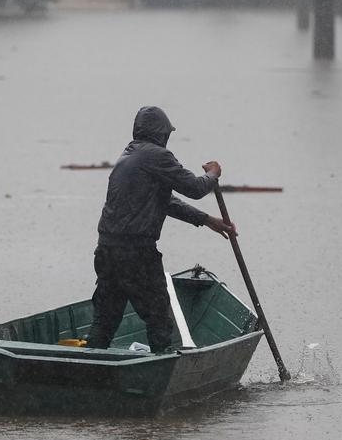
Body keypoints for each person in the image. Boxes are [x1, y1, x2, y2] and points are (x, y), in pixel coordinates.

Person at [87, 106, 236, 353]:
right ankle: (161, 371)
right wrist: (213, 174)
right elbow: (196, 188)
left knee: (105, 320)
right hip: (137, 255)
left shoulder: (128, 156)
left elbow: (164, 201)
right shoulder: (157, 156)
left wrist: (207, 220)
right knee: (158, 319)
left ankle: (88, 370)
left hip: (107, 251)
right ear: (160, 133)